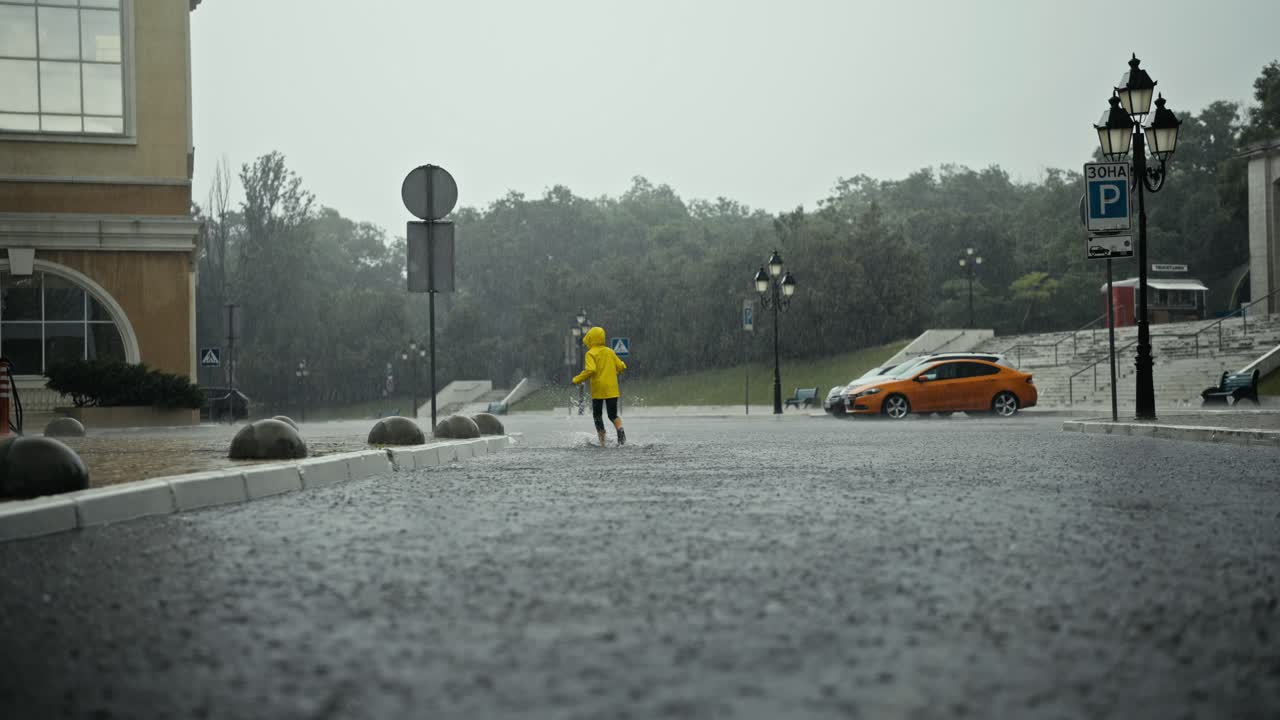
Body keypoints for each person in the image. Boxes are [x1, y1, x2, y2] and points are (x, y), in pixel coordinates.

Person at [572, 326, 627, 447]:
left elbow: (591, 370)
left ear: (591, 338)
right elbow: (621, 366)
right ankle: (620, 429)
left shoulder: (590, 353)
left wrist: (577, 379)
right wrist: (617, 369)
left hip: (598, 389)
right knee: (612, 415)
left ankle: (602, 441)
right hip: (612, 388)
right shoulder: (610, 351)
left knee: (597, 415)